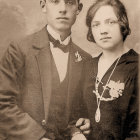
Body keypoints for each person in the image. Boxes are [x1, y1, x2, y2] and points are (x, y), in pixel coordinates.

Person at [0, 0, 92, 140]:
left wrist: (78, 129)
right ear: (43, 6)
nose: (62, 9)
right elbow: (3, 103)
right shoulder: (19, 49)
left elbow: (77, 111)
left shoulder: (85, 59)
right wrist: (38, 137)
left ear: (78, 8)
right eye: (55, 1)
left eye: (69, 2)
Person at [80, 0, 139, 139]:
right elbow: (77, 111)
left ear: (122, 24)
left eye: (110, 22)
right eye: (96, 24)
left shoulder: (136, 67)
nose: (103, 30)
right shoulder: (87, 66)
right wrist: (81, 126)